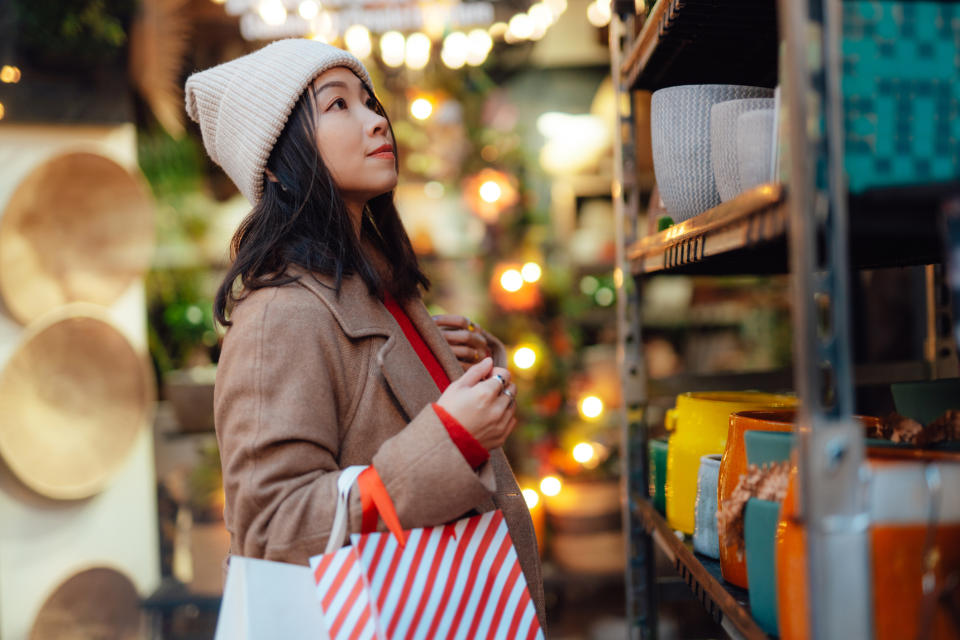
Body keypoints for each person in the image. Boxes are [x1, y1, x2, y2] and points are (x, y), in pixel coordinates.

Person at [183, 38, 546, 628]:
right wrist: (448, 438)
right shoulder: (281, 313)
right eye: (338, 106)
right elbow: (271, 522)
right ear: (276, 160)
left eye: (370, 102)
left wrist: (458, 364)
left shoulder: (378, 283)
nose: (377, 120)